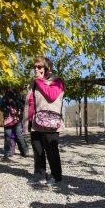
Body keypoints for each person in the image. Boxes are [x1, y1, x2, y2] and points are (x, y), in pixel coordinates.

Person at [23, 55, 64, 185]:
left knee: (51, 150)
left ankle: (56, 176)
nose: (36, 69)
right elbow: (28, 104)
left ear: (48, 68)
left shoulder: (57, 81)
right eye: (34, 66)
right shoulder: (32, 83)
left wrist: (40, 80)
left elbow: (51, 96)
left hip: (49, 122)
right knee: (37, 151)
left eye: (39, 66)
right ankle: (39, 175)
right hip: (34, 123)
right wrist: (25, 123)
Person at [0, 85, 29, 160]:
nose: (2, 92)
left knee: (13, 135)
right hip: (13, 119)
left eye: (3, 90)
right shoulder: (4, 98)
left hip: (13, 119)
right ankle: (20, 151)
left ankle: (14, 152)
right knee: (14, 135)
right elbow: (2, 108)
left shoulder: (10, 96)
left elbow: (3, 108)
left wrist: (4, 102)